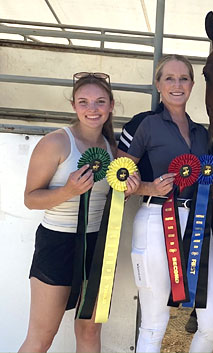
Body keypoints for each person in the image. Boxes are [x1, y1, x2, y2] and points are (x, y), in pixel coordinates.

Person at [20, 72, 140, 352]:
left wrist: (140, 187)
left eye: (100, 102)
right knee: (41, 337)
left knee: (89, 332)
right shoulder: (56, 143)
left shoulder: (112, 149)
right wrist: (68, 191)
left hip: (98, 247)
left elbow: (123, 188)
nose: (92, 109)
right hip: (57, 244)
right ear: (73, 105)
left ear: (111, 105)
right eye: (84, 102)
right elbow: (30, 199)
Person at [117, 54, 213, 353]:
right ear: (158, 84)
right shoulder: (144, 124)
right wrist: (148, 185)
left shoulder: (202, 132)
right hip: (156, 220)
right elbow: (119, 175)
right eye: (169, 78)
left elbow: (204, 179)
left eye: (183, 79)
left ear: (192, 84)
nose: (177, 85)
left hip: (196, 226)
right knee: (154, 323)